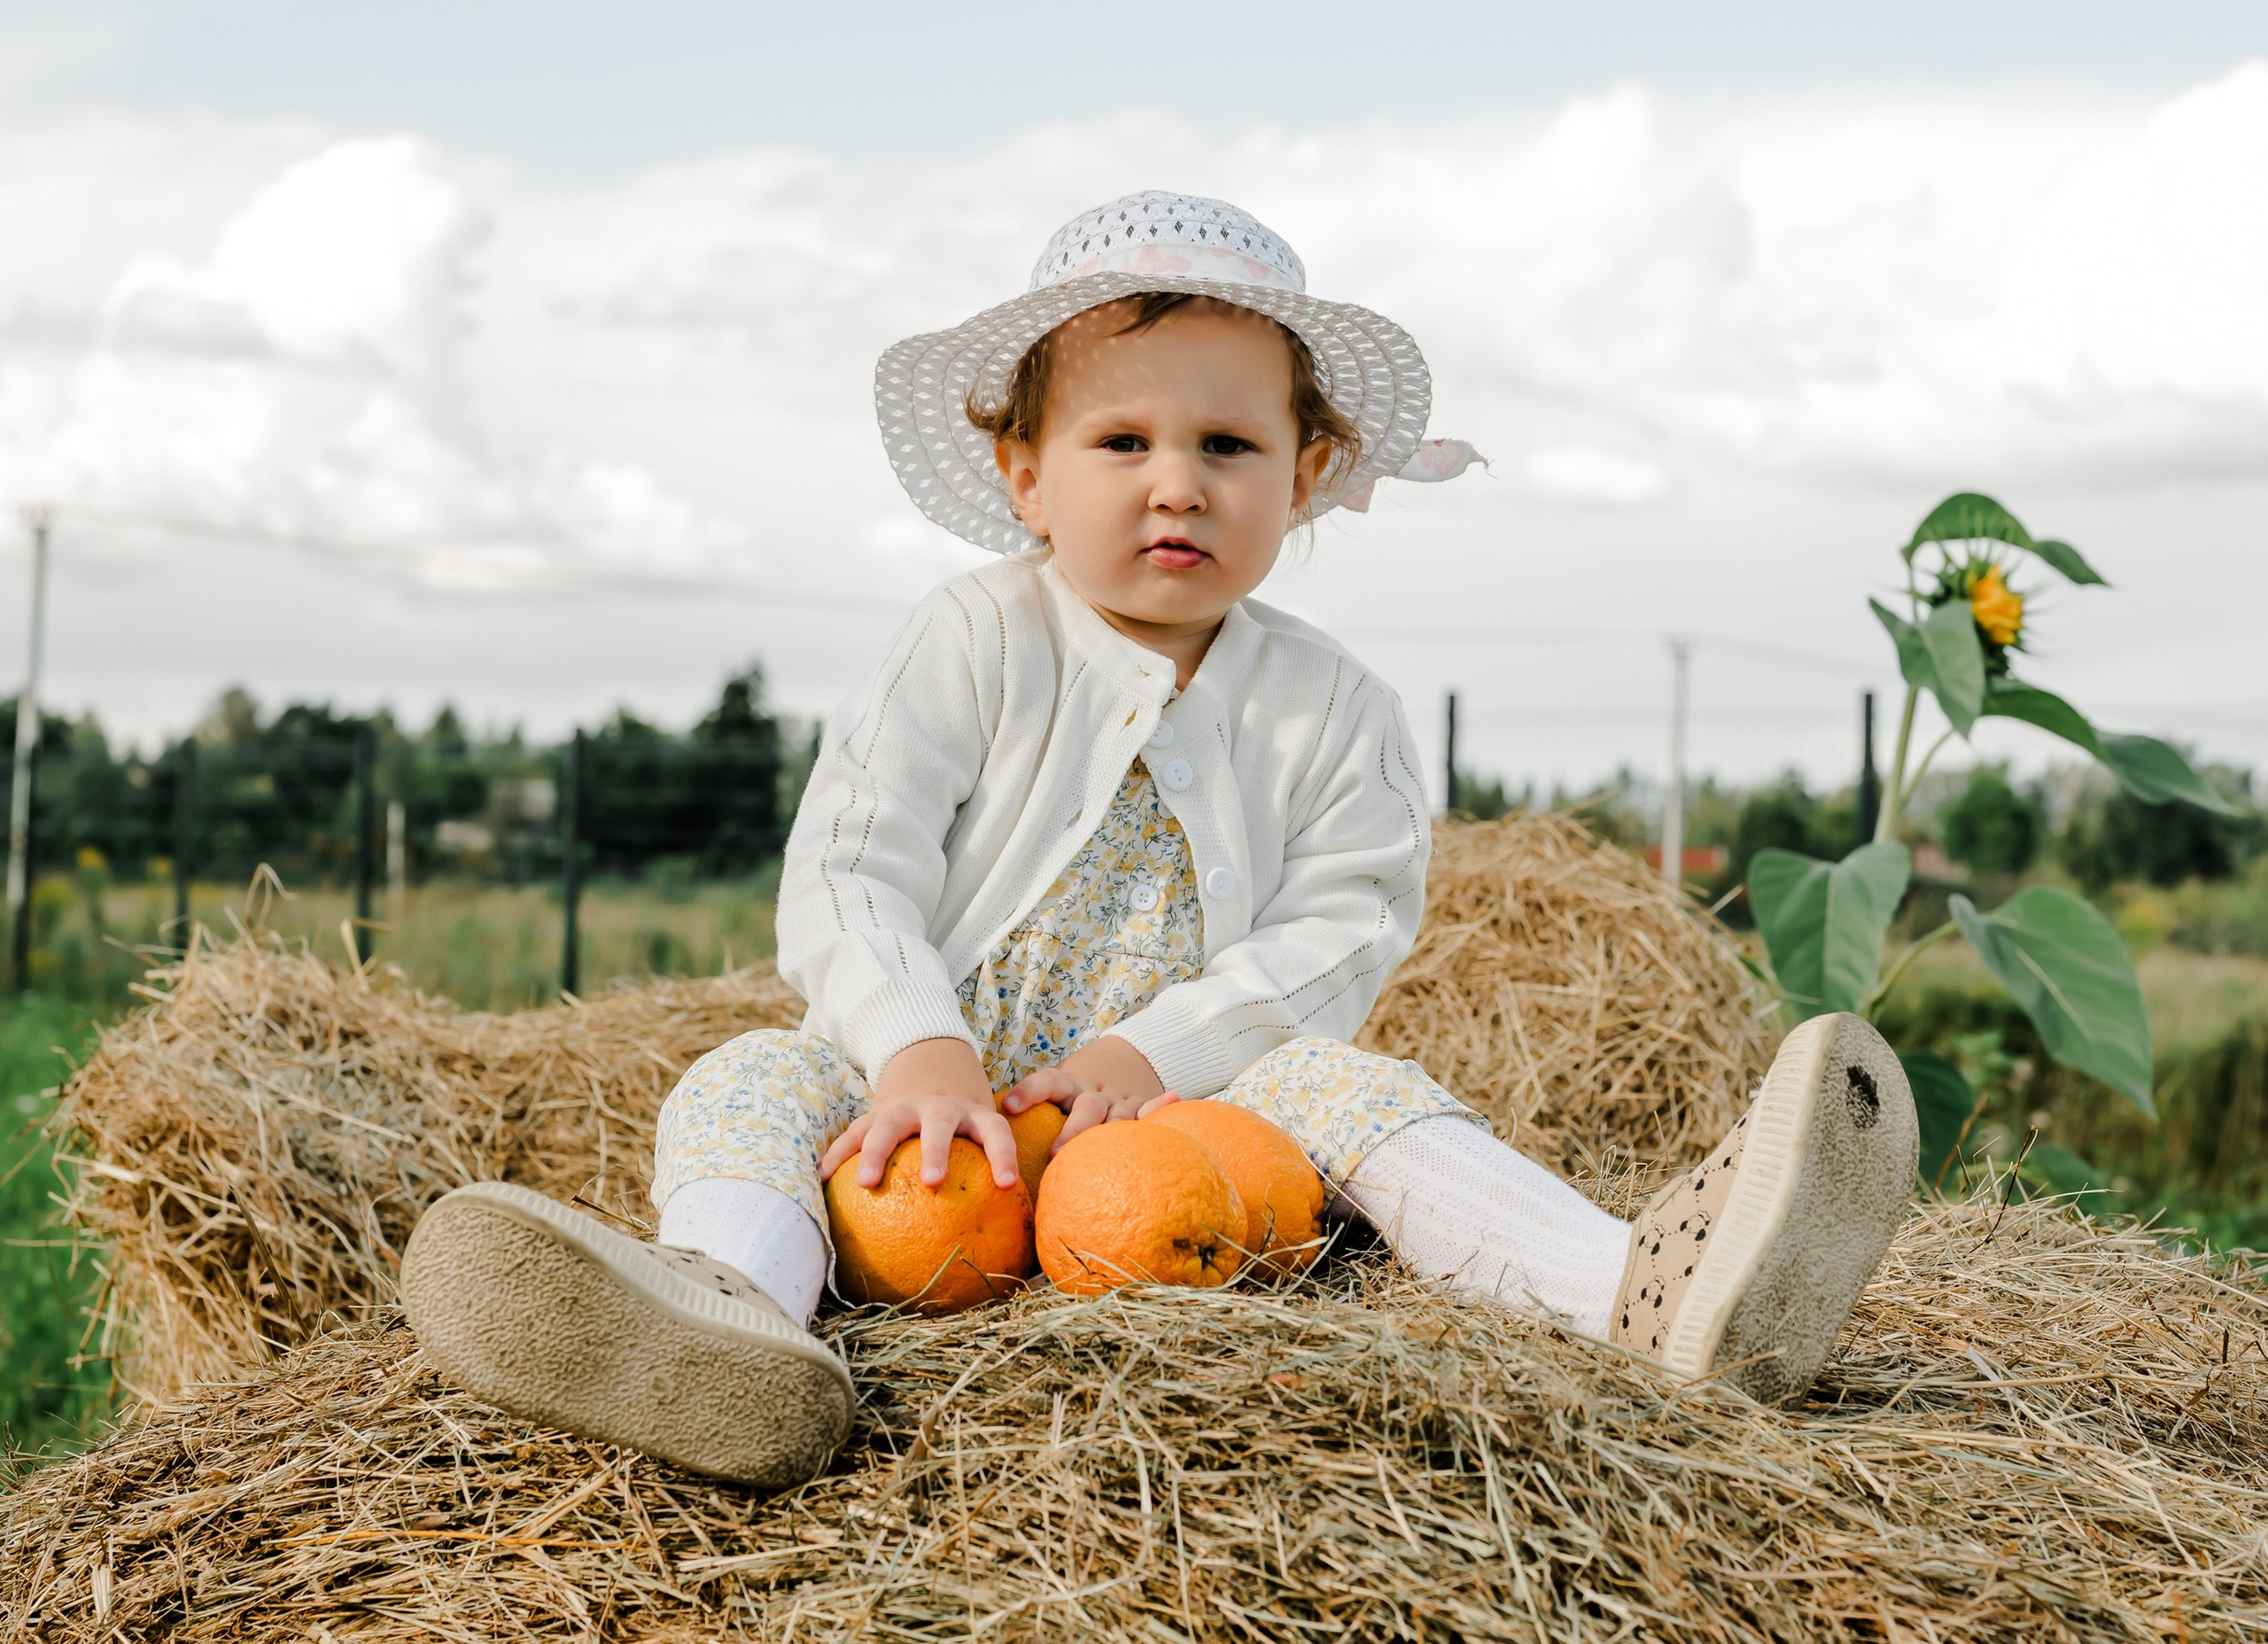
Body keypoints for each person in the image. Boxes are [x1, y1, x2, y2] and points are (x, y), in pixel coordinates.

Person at [402, 190, 1915, 1485]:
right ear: (1025, 476)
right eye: (1121, 440)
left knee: (1355, 1088)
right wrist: (916, 1047)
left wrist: (1160, 1059)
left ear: (1309, 474)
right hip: (919, 1108)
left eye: (1230, 447)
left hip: (1188, 1145)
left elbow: (1341, 932)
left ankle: (1635, 1293)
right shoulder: (971, 638)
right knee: (742, 1079)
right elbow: (853, 866)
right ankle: (727, 1324)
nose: (1176, 482)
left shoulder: (1334, 707)